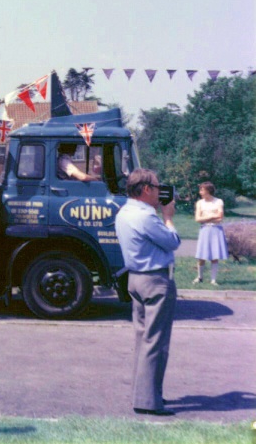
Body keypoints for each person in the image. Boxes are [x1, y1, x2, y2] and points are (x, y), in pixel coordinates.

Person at [115, 168, 180, 417]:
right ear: (145, 189)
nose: (159, 191)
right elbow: (172, 241)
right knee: (156, 342)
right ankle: (149, 401)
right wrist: (168, 217)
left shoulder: (124, 212)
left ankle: (143, 393)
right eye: (156, 187)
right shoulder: (146, 217)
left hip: (135, 279)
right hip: (155, 280)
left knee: (143, 340)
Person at [193, 181, 228, 285]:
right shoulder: (200, 203)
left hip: (216, 230)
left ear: (208, 191)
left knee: (214, 255)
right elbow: (198, 219)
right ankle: (200, 277)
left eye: (202, 190)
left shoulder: (218, 201)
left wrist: (206, 217)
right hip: (204, 229)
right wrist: (212, 216)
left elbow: (220, 217)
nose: (200, 192)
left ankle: (213, 280)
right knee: (201, 255)